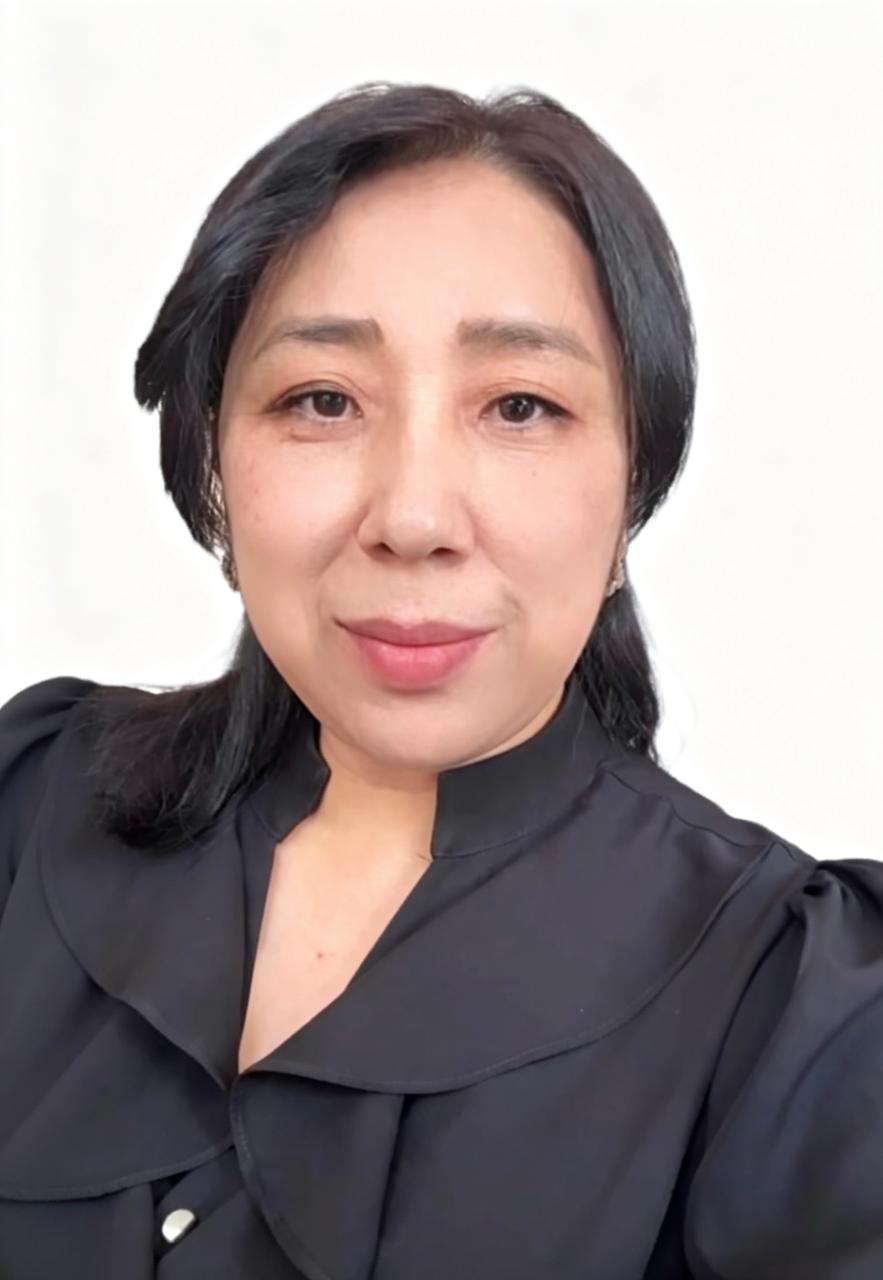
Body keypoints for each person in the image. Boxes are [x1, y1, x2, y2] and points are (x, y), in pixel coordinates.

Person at [0, 80, 880, 1280]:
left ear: (632, 489)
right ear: (213, 464)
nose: (412, 517)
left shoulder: (795, 1018)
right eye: (321, 400)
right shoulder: (32, 800)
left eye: (520, 405)